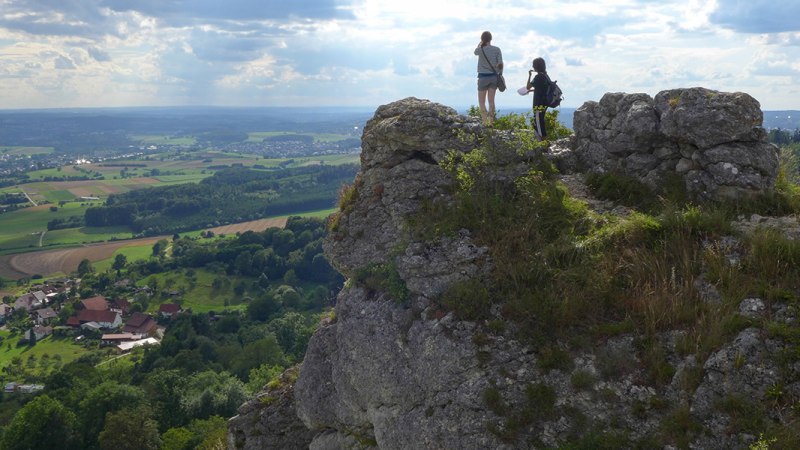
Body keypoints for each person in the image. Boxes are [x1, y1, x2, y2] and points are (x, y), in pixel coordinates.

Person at [474, 31, 503, 126]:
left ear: (482, 39)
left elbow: (475, 52)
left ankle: (484, 121)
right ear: (491, 39)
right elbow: (500, 64)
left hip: (482, 77)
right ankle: (491, 122)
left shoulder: (480, 50)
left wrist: (481, 43)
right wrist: (499, 73)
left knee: (481, 102)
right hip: (494, 77)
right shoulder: (497, 49)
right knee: (491, 101)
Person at [526, 57, 548, 140]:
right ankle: (543, 142)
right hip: (544, 103)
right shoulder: (545, 76)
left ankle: (543, 144)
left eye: (533, 65)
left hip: (538, 104)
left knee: (538, 123)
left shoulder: (538, 77)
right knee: (540, 122)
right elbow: (542, 88)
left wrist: (529, 75)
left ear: (536, 66)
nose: (532, 66)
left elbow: (528, 87)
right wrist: (533, 90)